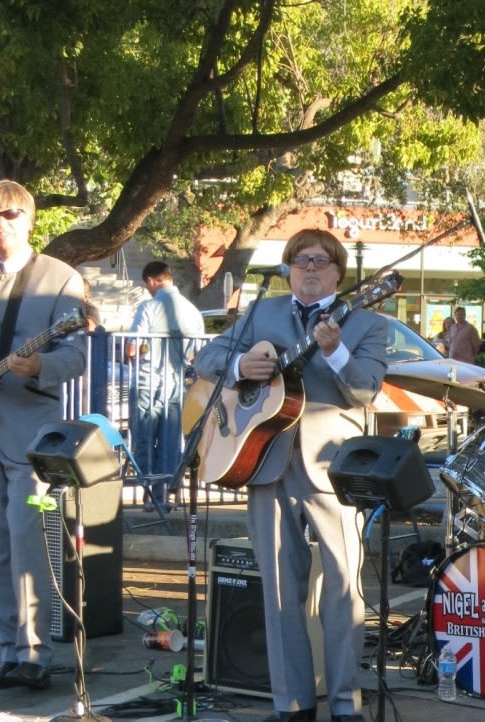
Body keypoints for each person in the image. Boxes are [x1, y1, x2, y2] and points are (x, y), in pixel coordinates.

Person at [192, 228, 387, 722]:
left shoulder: (366, 321)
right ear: (288, 269)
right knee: (280, 594)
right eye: (299, 261)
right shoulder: (263, 312)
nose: (310, 269)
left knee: (343, 592)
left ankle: (345, 707)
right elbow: (208, 358)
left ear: (339, 272)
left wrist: (336, 350)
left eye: (320, 261)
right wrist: (241, 364)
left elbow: (365, 391)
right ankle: (293, 706)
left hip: (330, 468)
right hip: (262, 459)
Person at [0, 180, 86, 691]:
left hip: (30, 433)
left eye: (7, 215)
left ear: (28, 219)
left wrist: (38, 364)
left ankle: (36, 654)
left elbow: (74, 357)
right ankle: (8, 649)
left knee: (27, 540)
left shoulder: (61, 278)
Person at [126, 260, 204, 512]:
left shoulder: (148, 307)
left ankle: (149, 495)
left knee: (144, 440)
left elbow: (131, 348)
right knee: (172, 442)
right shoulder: (193, 310)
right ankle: (167, 495)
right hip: (178, 385)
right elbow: (197, 355)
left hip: (147, 382)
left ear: (151, 281)